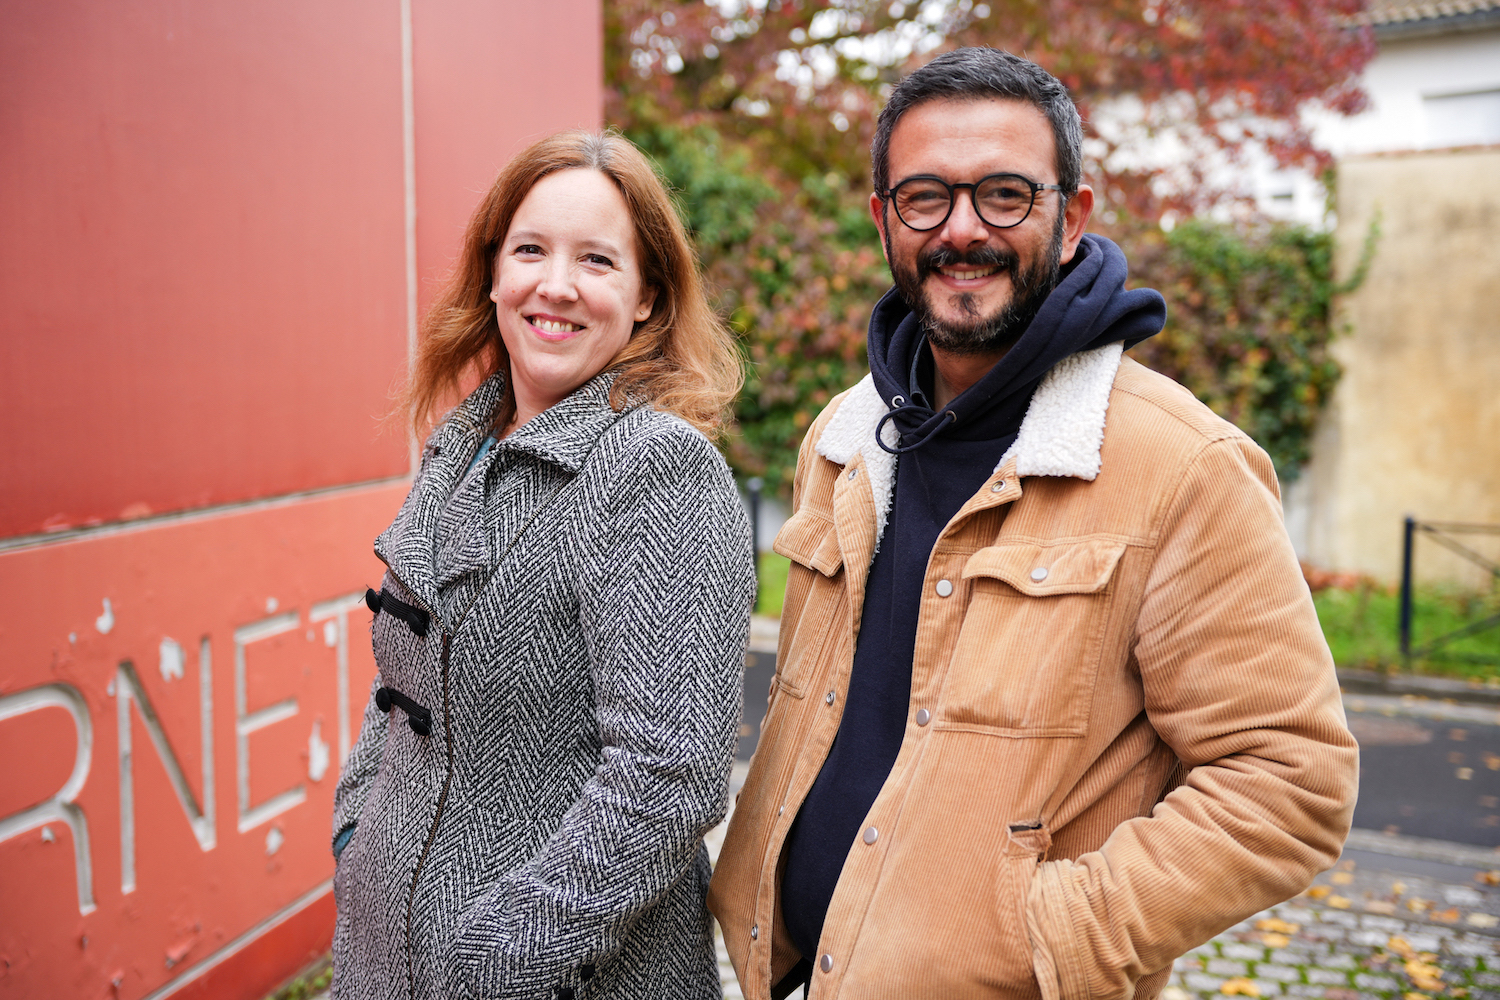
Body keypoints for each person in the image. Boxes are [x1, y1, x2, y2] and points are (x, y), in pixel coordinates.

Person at [708, 48, 1358, 1000]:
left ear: (1072, 216)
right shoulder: (844, 437)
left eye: (1005, 194)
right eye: (925, 197)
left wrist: (1041, 934)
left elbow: (1290, 780)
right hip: (796, 974)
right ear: (884, 219)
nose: (962, 229)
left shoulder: (1184, 467)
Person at [330, 130, 756, 1000]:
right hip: (381, 961)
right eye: (531, 250)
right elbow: (406, 686)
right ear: (494, 273)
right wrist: (357, 833)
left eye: (597, 260)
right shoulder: (464, 445)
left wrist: (495, 962)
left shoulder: (658, 468)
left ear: (646, 298)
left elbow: (668, 775)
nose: (555, 285)